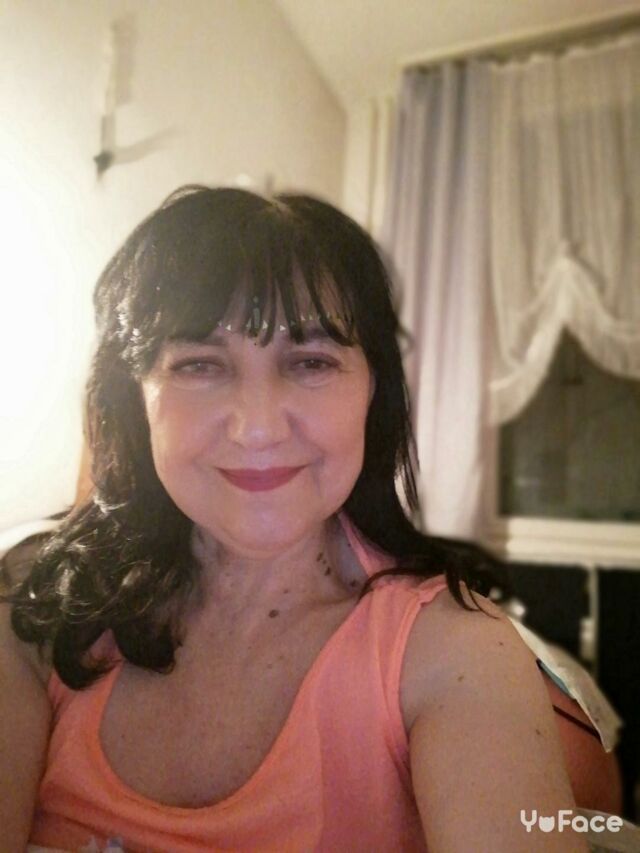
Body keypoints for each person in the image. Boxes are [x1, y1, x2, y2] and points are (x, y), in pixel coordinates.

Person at [0, 186, 594, 852]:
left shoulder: (457, 652)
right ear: (137, 399)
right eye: (200, 365)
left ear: (373, 393)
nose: (257, 427)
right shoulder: (34, 606)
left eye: (311, 362)